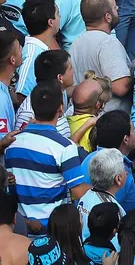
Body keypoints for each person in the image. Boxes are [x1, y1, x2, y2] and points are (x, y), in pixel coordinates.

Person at [7, 82, 88, 231]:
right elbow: (79, 192)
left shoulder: (12, 143)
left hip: (20, 230)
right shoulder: (65, 147)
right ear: (61, 109)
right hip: (54, 234)